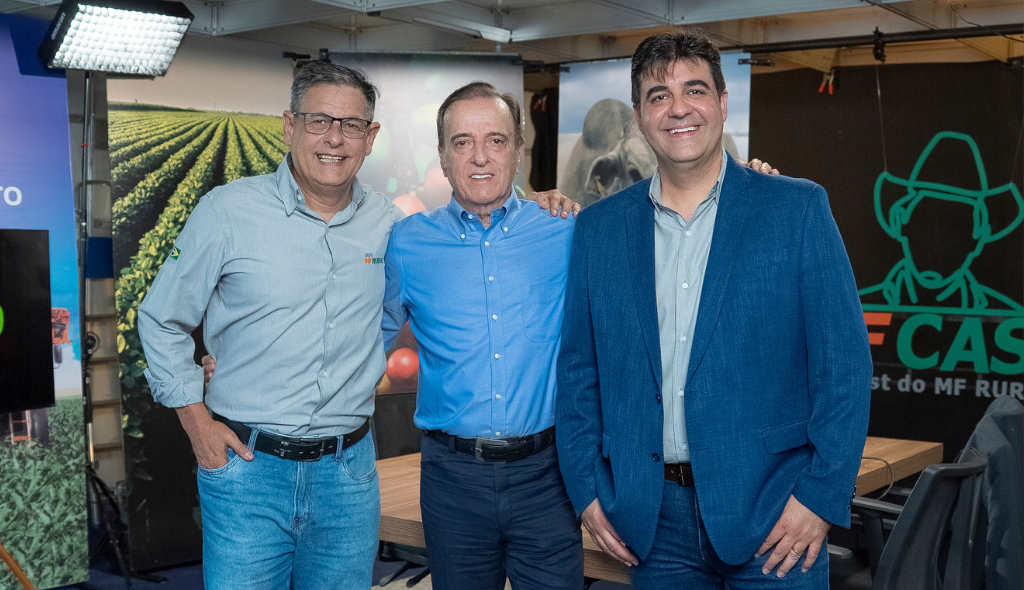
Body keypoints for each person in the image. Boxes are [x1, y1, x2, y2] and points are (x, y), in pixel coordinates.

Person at [138, 62, 572, 590]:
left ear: (371, 138)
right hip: (249, 468)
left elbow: (381, 325)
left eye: (351, 126)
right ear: (289, 125)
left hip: (349, 474)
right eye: (320, 121)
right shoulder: (230, 212)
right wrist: (195, 421)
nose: (335, 139)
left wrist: (546, 201)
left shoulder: (393, 228)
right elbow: (161, 317)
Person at [555, 28, 872, 590]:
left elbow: (844, 369)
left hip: (776, 516)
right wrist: (587, 491)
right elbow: (580, 374)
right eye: (659, 96)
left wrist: (820, 499)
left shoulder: (796, 210)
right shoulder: (598, 230)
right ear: (639, 115)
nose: (678, 109)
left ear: (723, 104)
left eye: (695, 90)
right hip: (651, 526)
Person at [380, 81, 582, 590]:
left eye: (495, 140)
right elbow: (360, 343)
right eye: (462, 142)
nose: (479, 157)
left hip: (550, 475)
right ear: (443, 157)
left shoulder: (567, 230)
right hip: (452, 480)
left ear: (518, 151)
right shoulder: (407, 244)